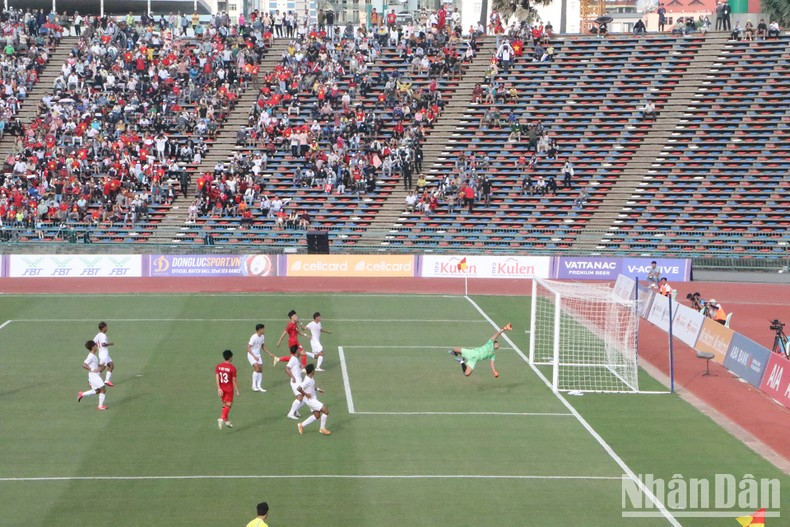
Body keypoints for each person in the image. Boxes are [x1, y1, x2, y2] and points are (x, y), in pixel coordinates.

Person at [448, 323, 513, 377]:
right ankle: (455, 353)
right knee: (454, 349)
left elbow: (492, 364)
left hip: (473, 360)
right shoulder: (489, 343)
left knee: (467, 374)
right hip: (472, 353)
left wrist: (494, 371)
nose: (498, 345)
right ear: (494, 343)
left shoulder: (492, 355)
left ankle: (461, 361)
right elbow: (497, 334)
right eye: (497, 343)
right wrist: (505, 328)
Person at [297, 364, 331, 435]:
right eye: (314, 369)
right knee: (326, 411)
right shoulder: (308, 380)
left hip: (311, 399)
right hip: (311, 401)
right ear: (312, 371)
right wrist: (306, 394)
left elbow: (310, 387)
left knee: (317, 416)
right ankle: (322, 429)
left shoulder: (309, 378)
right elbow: (299, 388)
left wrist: (317, 389)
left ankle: (301, 425)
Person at [77, 340, 107, 410]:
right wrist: (92, 369)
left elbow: (95, 365)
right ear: (93, 347)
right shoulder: (90, 356)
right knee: (103, 389)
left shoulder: (93, 356)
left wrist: (101, 365)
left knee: (97, 391)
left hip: (95, 375)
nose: (97, 347)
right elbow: (84, 365)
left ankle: (82, 394)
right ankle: (100, 406)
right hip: (94, 376)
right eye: (95, 345)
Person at [215, 349, 239, 430]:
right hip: (229, 389)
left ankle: (226, 420)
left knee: (224, 404)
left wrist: (218, 388)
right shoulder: (232, 368)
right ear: (230, 357)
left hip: (221, 388)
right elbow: (234, 380)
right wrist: (237, 390)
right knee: (229, 404)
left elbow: (217, 377)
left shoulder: (218, 366)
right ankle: (221, 419)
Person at [248, 323, 275, 392]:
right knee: (257, 368)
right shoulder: (253, 337)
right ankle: (254, 386)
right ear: (259, 330)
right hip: (251, 355)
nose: (264, 330)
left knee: (260, 370)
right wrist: (254, 356)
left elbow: (262, 346)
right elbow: (248, 348)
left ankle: (259, 386)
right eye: (263, 329)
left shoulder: (262, 336)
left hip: (258, 355)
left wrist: (270, 354)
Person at [285, 345, 306, 420]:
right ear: (296, 350)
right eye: (299, 349)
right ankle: (291, 413)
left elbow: (303, 367)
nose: (300, 350)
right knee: (301, 396)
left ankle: (294, 411)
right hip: (295, 381)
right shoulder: (293, 359)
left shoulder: (296, 359)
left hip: (299, 380)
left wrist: (304, 356)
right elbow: (287, 368)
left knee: (304, 397)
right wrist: (292, 377)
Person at [94, 321, 115, 386]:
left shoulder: (98, 335)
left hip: (102, 354)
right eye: (106, 327)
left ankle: (107, 380)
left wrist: (98, 347)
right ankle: (91, 379)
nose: (107, 328)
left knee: (111, 365)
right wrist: (110, 344)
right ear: (103, 328)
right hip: (104, 355)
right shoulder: (103, 335)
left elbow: (94, 342)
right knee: (101, 368)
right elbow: (103, 344)